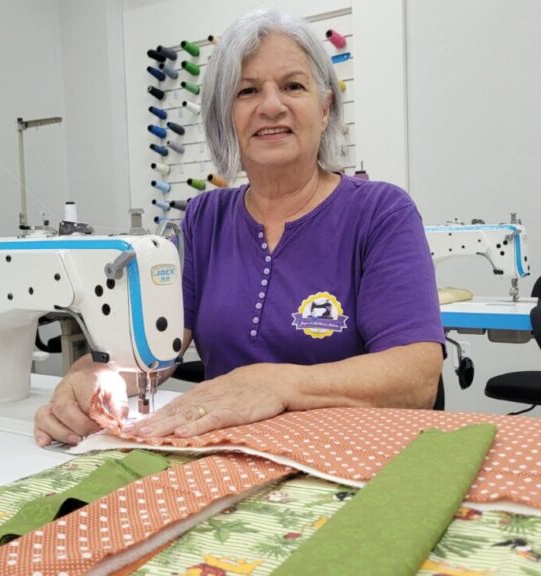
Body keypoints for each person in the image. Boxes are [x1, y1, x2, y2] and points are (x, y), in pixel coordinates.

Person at [34, 9, 443, 448]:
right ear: (226, 115)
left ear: (324, 109)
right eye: (247, 91)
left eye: (292, 86)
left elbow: (416, 375)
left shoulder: (381, 212)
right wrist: (91, 379)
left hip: (348, 461)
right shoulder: (203, 219)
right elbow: (153, 351)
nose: (270, 105)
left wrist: (276, 386)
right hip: (225, 458)